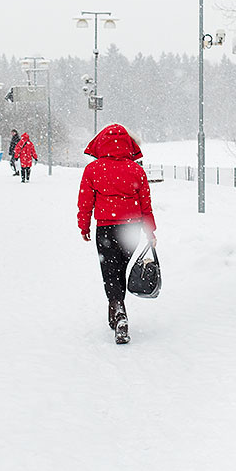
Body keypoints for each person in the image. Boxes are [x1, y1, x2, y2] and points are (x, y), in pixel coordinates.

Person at [77, 124, 156, 344]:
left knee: (109, 270)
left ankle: (117, 307)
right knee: (122, 268)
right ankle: (117, 307)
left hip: (106, 228)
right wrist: (150, 231)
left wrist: (84, 226)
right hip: (131, 229)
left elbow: (85, 202)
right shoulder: (136, 170)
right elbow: (145, 204)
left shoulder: (93, 170)